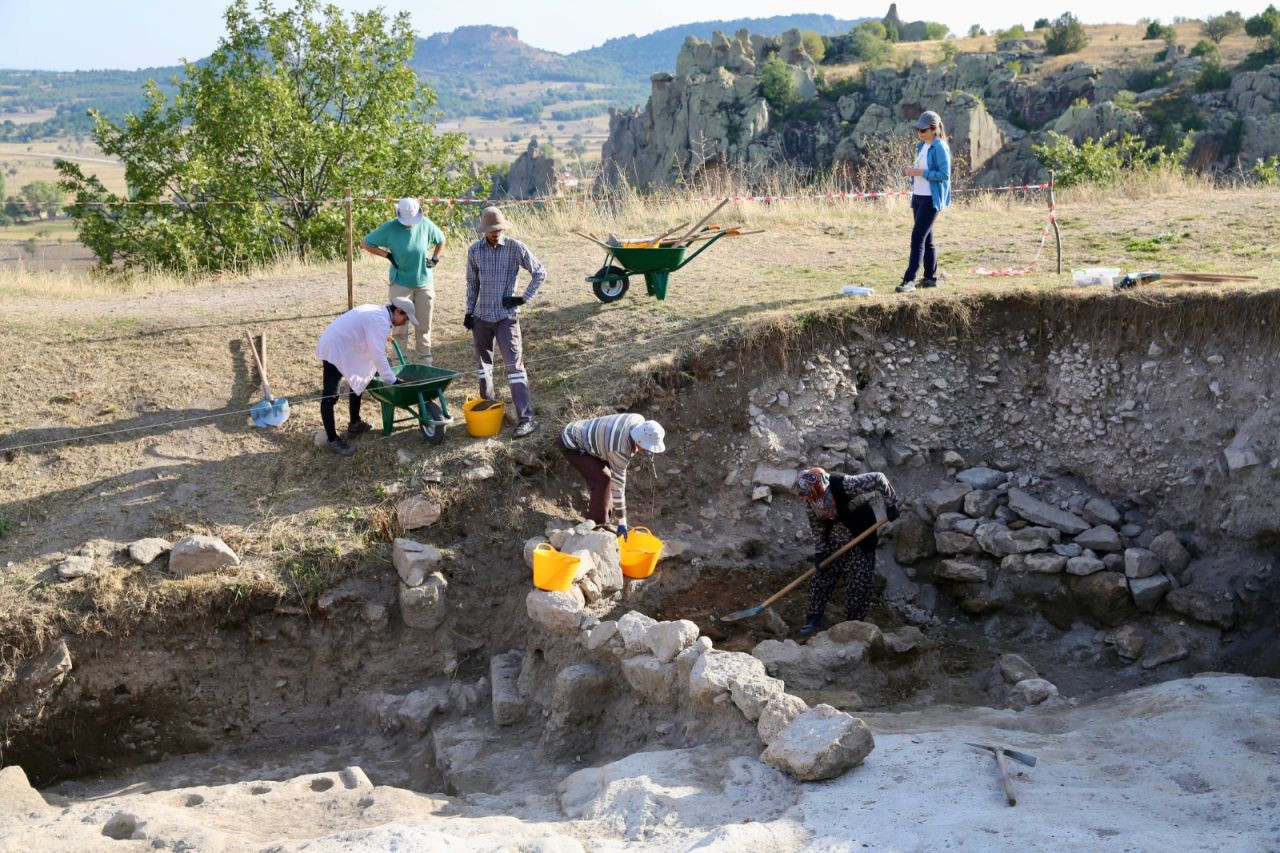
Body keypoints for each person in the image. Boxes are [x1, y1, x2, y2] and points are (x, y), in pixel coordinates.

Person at [464, 205, 547, 438]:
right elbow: (472, 285)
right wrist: (469, 312)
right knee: (483, 367)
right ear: (484, 230)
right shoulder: (474, 251)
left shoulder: (515, 247)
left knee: (514, 367)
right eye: (491, 229)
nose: (495, 233)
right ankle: (489, 409)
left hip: (506, 318)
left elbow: (540, 272)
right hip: (481, 317)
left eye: (498, 229)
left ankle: (526, 418)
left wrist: (523, 298)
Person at [793, 467, 902, 636]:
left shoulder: (845, 484)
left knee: (859, 583)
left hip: (861, 537)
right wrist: (821, 551)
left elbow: (879, 478)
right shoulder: (809, 499)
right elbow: (817, 526)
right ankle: (813, 617)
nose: (807, 499)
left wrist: (891, 504)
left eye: (810, 495)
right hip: (836, 538)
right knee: (822, 576)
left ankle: (853, 624)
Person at [314, 298, 415, 456]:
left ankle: (355, 423)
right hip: (335, 347)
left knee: (361, 376)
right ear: (397, 311)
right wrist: (393, 381)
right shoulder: (380, 321)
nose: (404, 323)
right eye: (405, 318)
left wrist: (383, 337)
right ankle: (333, 441)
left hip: (343, 344)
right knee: (330, 396)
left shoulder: (379, 313)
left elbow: (365, 328)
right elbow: (379, 357)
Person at [360, 197, 445, 364]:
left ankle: (425, 362)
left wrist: (435, 258)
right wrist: (387, 255)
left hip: (424, 283)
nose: (409, 224)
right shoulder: (390, 227)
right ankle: (399, 363)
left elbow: (441, 239)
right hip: (400, 284)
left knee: (423, 325)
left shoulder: (426, 224)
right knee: (399, 326)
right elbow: (365, 243)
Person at [558, 414, 665, 539]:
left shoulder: (638, 419)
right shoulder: (619, 450)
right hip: (571, 443)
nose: (648, 450)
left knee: (608, 476)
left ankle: (604, 519)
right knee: (604, 479)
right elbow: (618, 487)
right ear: (639, 440)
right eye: (646, 447)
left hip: (589, 436)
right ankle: (596, 522)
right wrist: (622, 523)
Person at [896, 110, 952, 293]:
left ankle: (909, 280)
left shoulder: (940, 147)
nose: (919, 133)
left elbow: (945, 175)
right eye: (918, 130)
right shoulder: (922, 146)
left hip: (931, 198)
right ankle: (930, 279)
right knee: (927, 239)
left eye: (923, 130)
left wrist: (921, 173)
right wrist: (912, 171)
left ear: (934, 129)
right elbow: (922, 170)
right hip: (918, 197)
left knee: (917, 237)